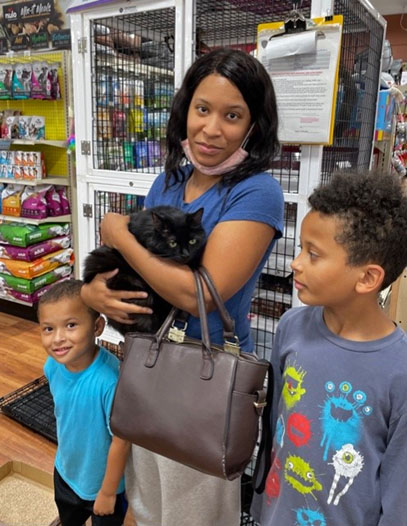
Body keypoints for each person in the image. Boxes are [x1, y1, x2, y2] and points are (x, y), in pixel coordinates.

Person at [81, 47, 285, 526]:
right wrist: (92, 296)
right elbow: (141, 277)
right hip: (150, 363)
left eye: (232, 115)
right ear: (185, 110)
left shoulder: (256, 192)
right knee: (150, 499)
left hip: (206, 381)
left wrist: (118, 233)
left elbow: (202, 294)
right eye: (202, 109)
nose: (212, 129)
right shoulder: (168, 182)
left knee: (198, 509)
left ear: (253, 126)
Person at [252, 171, 407, 526]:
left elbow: (399, 495)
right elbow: (277, 430)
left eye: (314, 254)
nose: (296, 263)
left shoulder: (399, 370)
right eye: (300, 249)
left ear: (368, 277)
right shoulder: (290, 327)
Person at [38, 279, 130, 526]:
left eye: (70, 325)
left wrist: (109, 492)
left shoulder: (110, 381)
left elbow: (122, 441)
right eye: (48, 329)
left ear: (97, 326)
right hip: (66, 471)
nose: (57, 338)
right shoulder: (52, 367)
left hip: (104, 484)